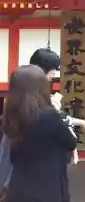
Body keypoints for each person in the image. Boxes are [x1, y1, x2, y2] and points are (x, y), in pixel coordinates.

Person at [3, 65, 78, 202]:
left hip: (17, 188)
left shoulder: (10, 115)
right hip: (47, 188)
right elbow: (71, 142)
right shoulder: (48, 115)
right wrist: (58, 113)